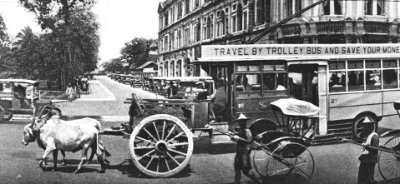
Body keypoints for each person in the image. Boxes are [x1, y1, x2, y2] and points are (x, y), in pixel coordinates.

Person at [232, 113, 259, 184]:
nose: (241, 122)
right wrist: (234, 138)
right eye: (240, 121)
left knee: (246, 171)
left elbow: (249, 141)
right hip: (239, 152)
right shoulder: (240, 130)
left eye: (242, 121)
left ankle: (258, 182)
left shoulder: (247, 131)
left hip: (244, 152)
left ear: (245, 122)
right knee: (237, 168)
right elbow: (237, 138)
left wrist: (238, 138)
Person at [358, 117, 379, 184]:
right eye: (364, 127)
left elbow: (375, 149)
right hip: (366, 158)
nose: (364, 128)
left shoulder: (374, 136)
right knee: (361, 177)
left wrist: (367, 146)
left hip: (371, 159)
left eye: (365, 127)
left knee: (369, 178)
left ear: (370, 127)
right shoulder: (368, 135)